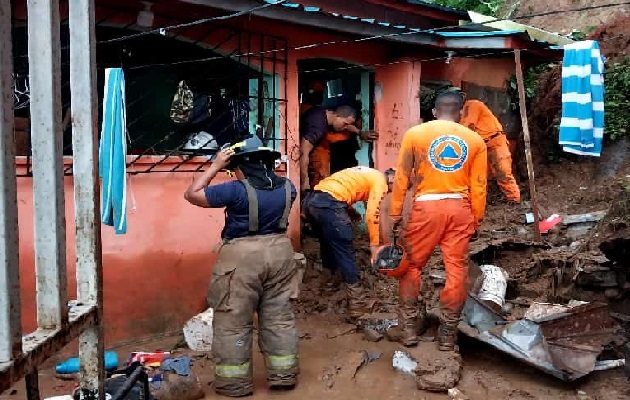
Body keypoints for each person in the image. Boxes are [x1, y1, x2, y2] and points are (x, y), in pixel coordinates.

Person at [184, 135, 299, 397]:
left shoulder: (235, 190)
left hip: (242, 257)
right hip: (281, 252)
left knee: (232, 320)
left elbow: (192, 194)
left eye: (233, 167)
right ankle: (284, 375)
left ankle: (234, 383)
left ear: (241, 165)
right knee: (279, 318)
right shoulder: (288, 187)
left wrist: (214, 166)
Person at [389, 91, 488, 351]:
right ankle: (447, 335)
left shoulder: (415, 134)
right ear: (461, 114)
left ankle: (409, 330)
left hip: (426, 209)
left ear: (434, 112)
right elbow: (479, 186)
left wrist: (396, 214)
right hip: (460, 208)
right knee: (457, 272)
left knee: (412, 266)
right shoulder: (475, 140)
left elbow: (402, 177)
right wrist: (476, 220)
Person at [302, 166, 395, 322]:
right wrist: (374, 244)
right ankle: (358, 305)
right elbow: (373, 215)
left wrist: (350, 210)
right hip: (329, 204)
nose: (391, 193)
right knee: (345, 248)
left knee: (329, 242)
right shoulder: (380, 182)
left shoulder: (368, 173)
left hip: (312, 202)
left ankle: (328, 284)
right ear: (392, 179)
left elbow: (341, 189)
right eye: (395, 189)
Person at [449, 89, 520, 203]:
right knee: (480, 177)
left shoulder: (472, 105)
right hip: (481, 147)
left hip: (495, 142)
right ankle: (479, 202)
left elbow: (468, 127)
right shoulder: (460, 113)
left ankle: (515, 201)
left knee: (503, 173)